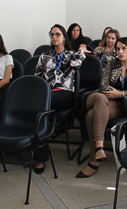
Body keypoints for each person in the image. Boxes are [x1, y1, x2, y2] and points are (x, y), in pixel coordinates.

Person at [76, 37, 127, 178]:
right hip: (99, 98)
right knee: (100, 98)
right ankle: (100, 145)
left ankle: (94, 159)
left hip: (120, 104)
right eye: (118, 49)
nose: (120, 52)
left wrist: (121, 93)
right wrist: (110, 93)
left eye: (124, 48)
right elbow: (102, 85)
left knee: (91, 116)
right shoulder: (111, 64)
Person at [35, 24, 85, 173]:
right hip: (48, 94)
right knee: (42, 112)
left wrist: (81, 50)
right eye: (52, 35)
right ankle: (40, 154)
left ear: (64, 37)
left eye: (57, 34)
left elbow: (79, 61)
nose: (54, 37)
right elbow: (36, 78)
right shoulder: (44, 57)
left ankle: (38, 154)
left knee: (40, 106)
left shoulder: (72, 55)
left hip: (65, 94)